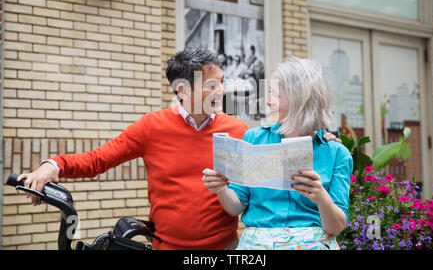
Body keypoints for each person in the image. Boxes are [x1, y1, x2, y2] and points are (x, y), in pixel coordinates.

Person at [17, 48, 340, 250]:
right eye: (213, 85)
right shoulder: (151, 127)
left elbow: (286, 139)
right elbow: (99, 159)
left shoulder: (239, 131)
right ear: (183, 90)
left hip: (227, 248)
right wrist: (52, 165)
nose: (223, 91)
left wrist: (325, 138)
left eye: (222, 82)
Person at [203, 56, 353, 250]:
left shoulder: (337, 153)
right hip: (257, 246)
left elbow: (336, 227)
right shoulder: (253, 139)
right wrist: (221, 188)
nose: (267, 102)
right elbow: (235, 207)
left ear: (299, 99)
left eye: (275, 94)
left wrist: (321, 197)